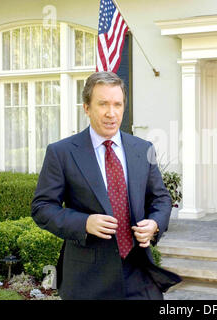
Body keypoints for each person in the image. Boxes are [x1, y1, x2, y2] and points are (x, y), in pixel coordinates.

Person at [31, 71, 181, 300]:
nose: (112, 113)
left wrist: (155, 224)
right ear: (87, 108)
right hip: (87, 280)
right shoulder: (62, 152)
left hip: (139, 274)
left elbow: (160, 199)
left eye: (117, 104)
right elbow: (42, 207)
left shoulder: (143, 149)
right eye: (103, 104)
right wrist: (84, 223)